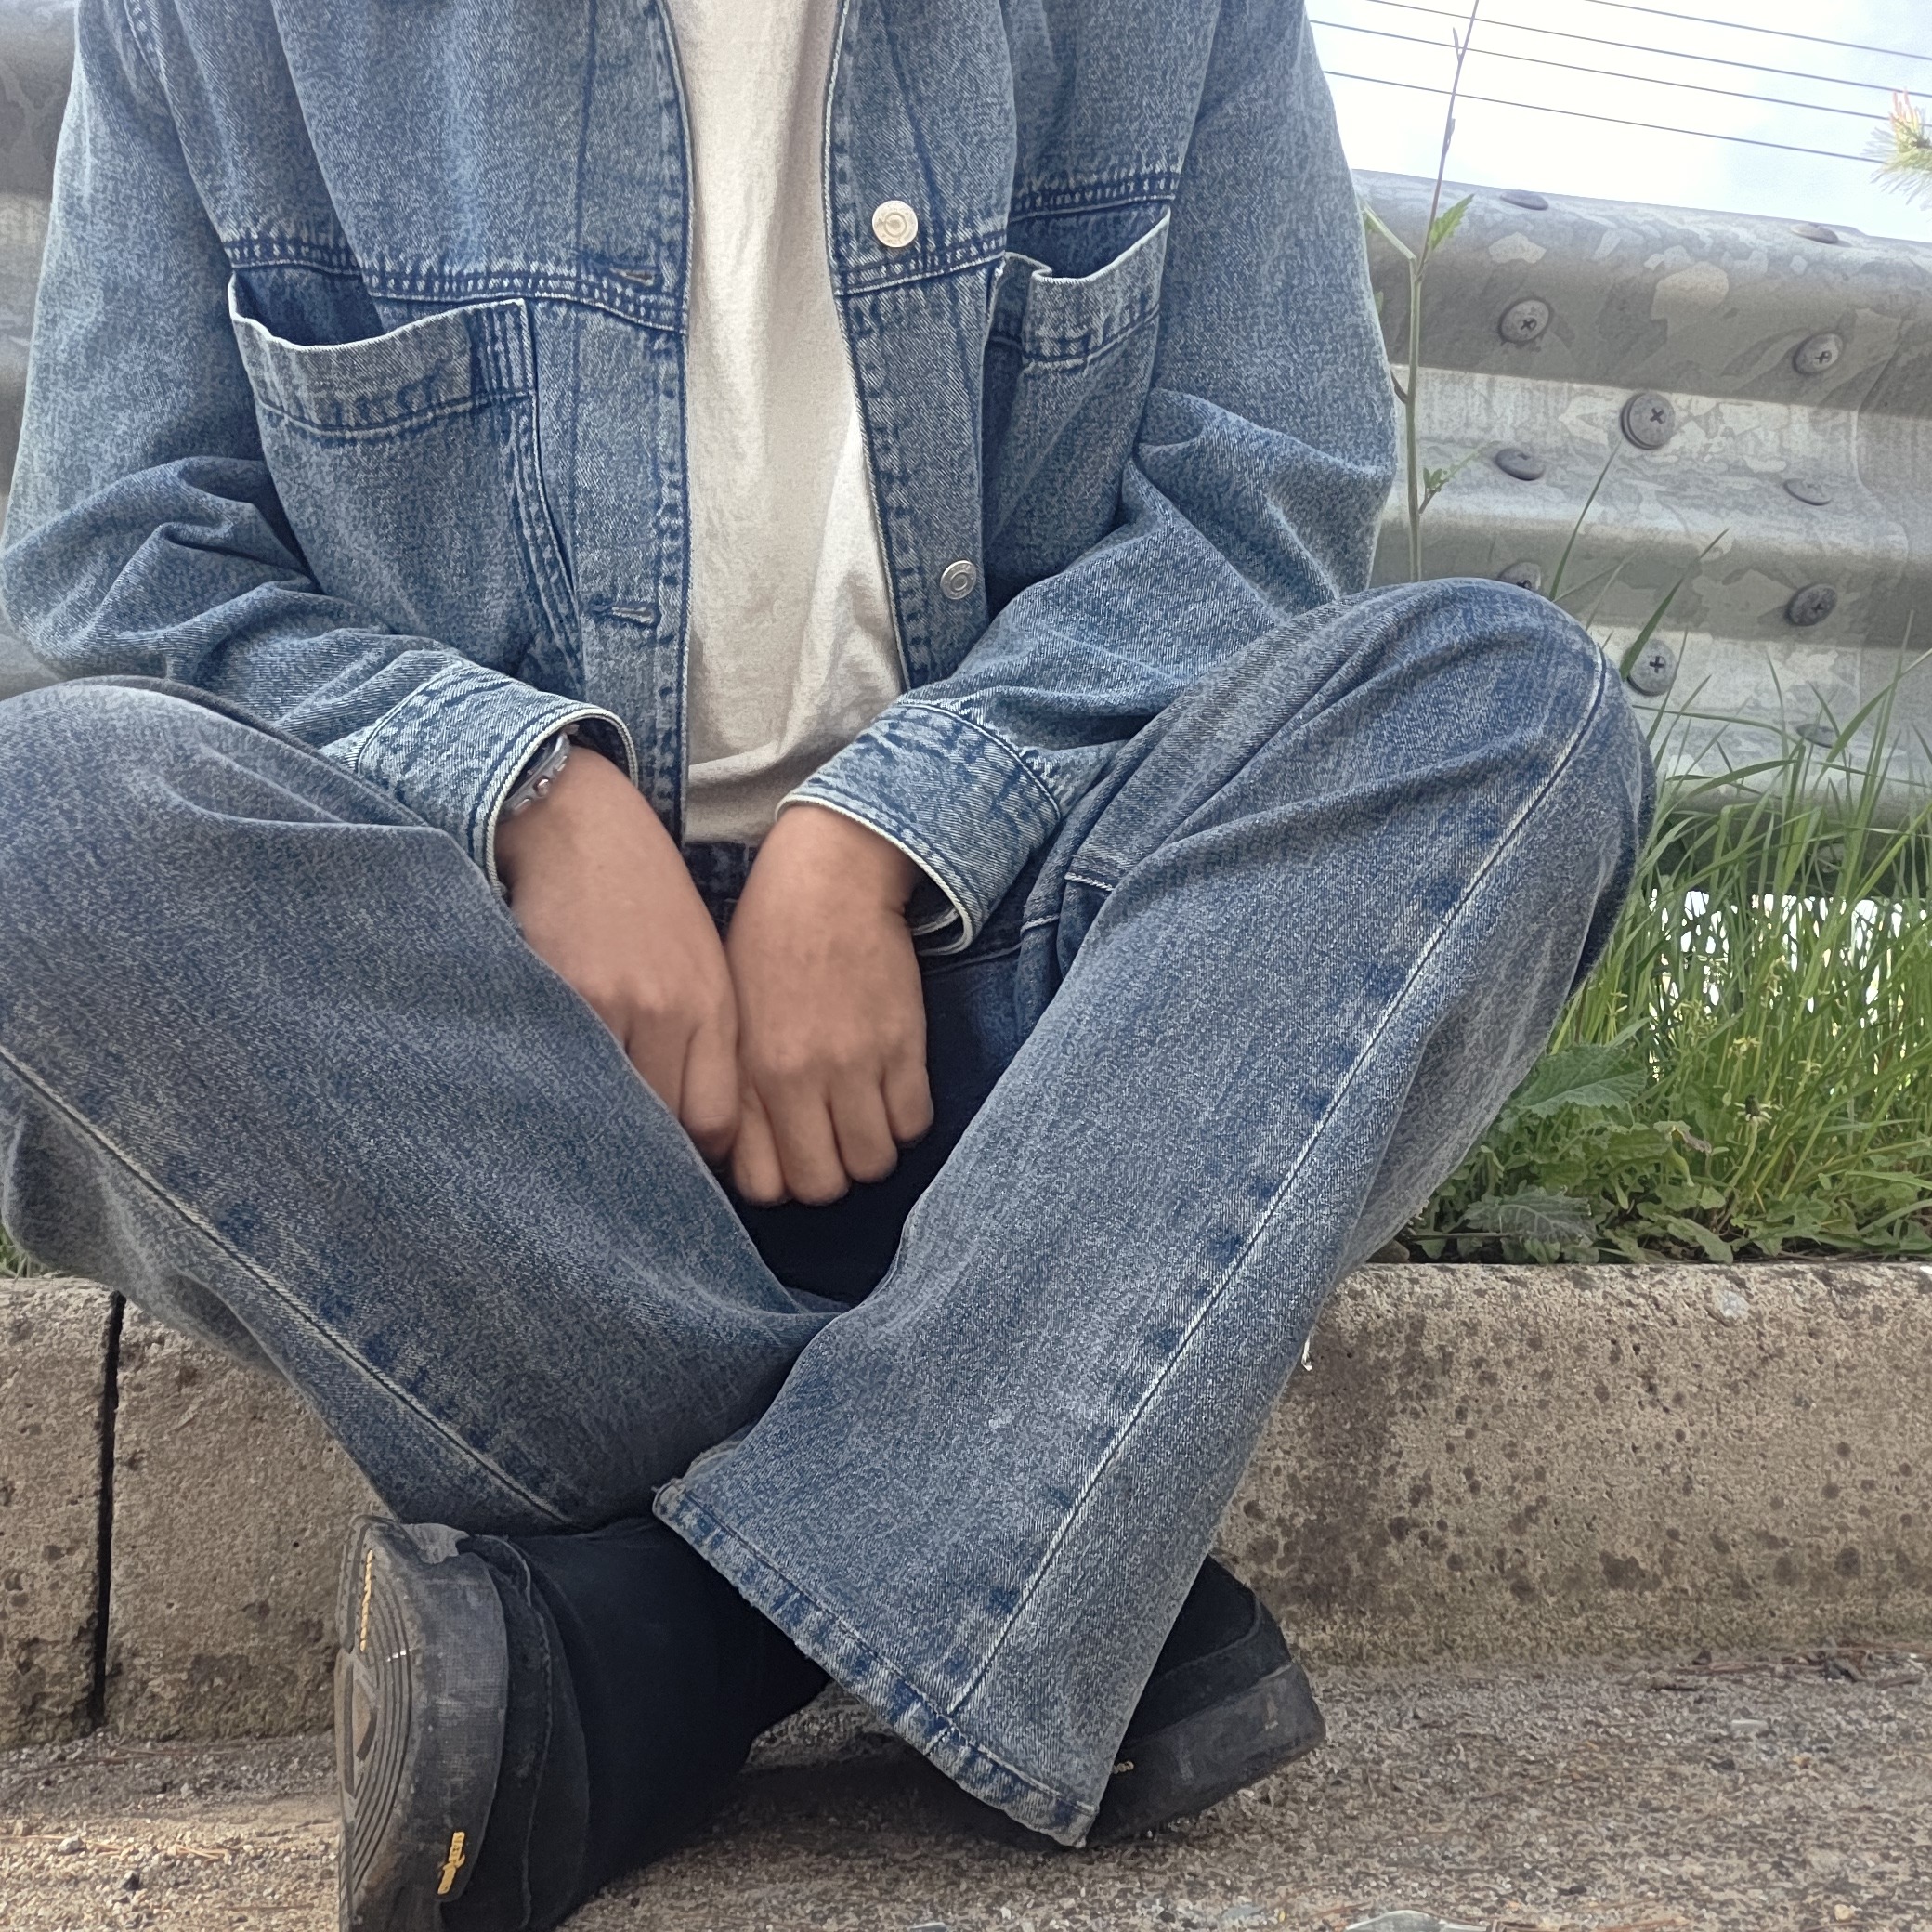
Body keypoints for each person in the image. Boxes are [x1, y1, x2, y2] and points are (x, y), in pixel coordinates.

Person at [0, 0, 1651, 1925]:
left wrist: (880, 833)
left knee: (1503, 703)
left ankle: (680, 1652)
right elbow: (126, 556)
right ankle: (1011, 1507)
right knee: (40, 823)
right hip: (495, 1095)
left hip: (1050, 1045)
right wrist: (526, 792)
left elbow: (1251, 502)